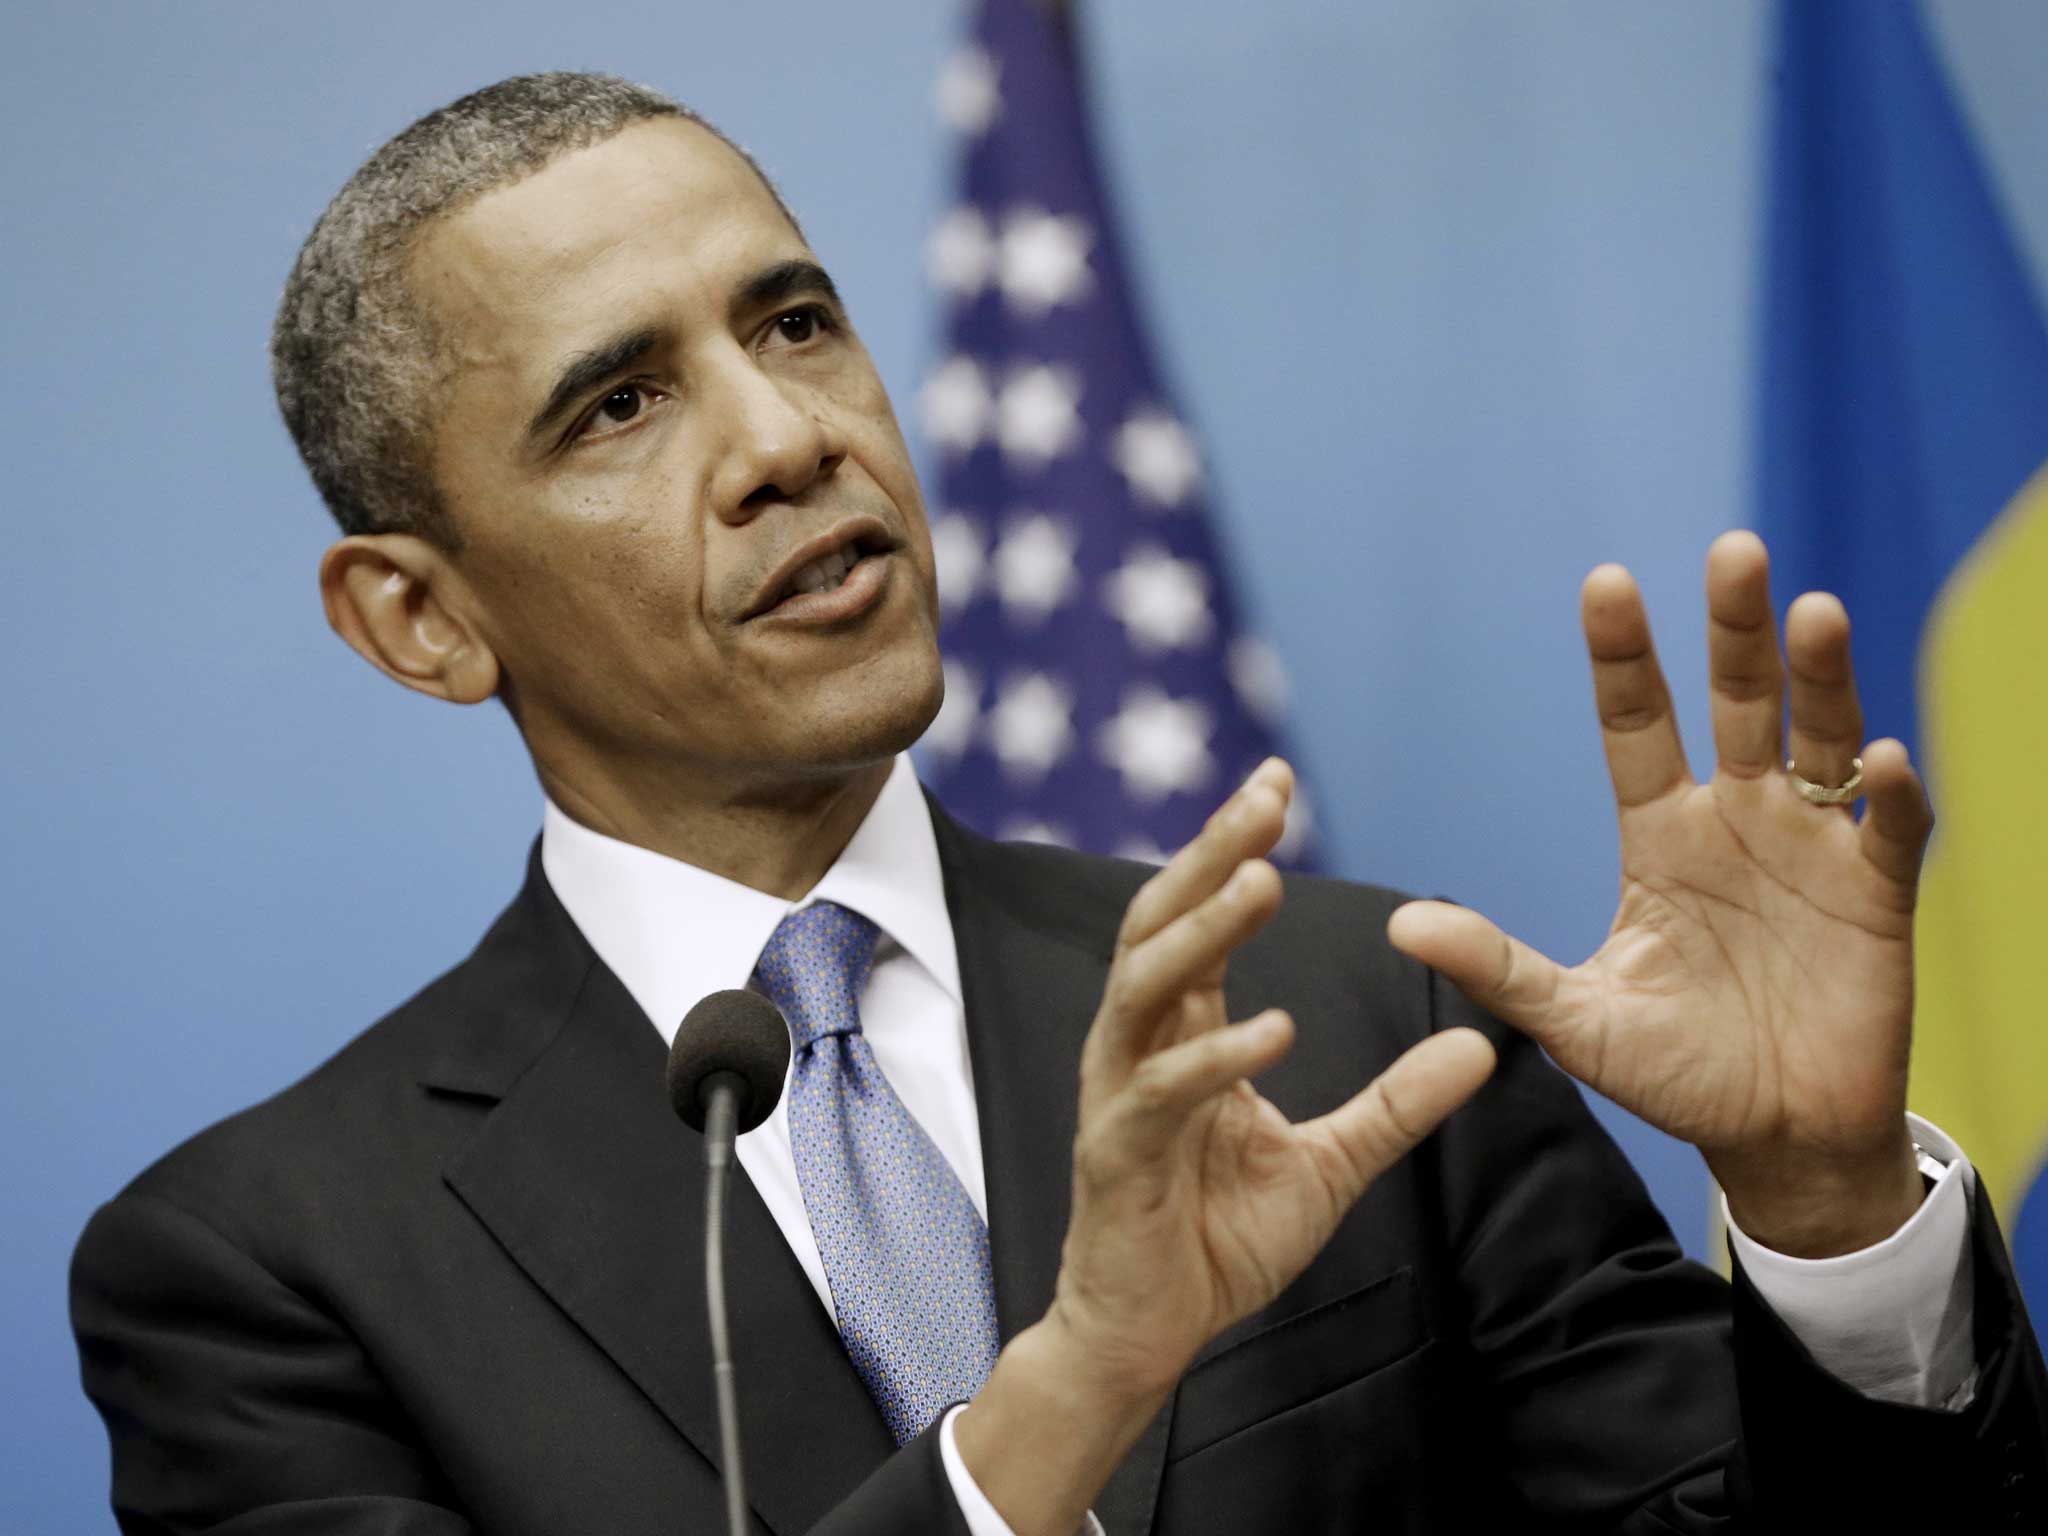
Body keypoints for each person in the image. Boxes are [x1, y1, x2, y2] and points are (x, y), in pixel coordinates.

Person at [70, 73, 2046, 1535]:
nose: (787, 437)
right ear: (417, 618)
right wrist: (1062, 1402)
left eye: (793, 321)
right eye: (620, 403)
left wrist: (1821, 1216)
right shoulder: (265, 1272)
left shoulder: (1366, 1017)